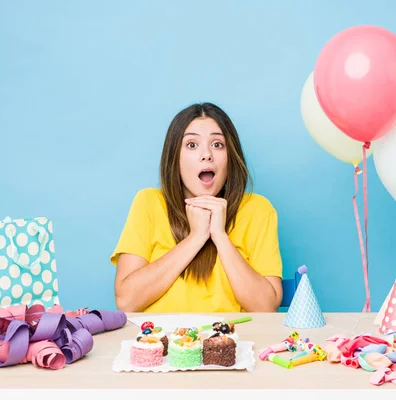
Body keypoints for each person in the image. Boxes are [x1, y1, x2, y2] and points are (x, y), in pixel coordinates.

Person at [110, 102, 283, 313]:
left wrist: (219, 235)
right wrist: (196, 237)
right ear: (175, 158)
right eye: (192, 144)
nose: (206, 154)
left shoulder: (257, 209)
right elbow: (127, 301)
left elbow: (265, 308)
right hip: (160, 342)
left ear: (231, 156)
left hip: (234, 342)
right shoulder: (149, 202)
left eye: (218, 144)